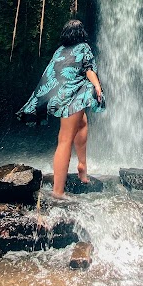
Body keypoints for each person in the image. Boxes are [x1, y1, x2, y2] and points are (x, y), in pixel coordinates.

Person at [16, 19, 105, 198]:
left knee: (82, 123)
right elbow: (88, 69)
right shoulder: (84, 47)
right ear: (81, 33)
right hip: (71, 98)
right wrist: (97, 86)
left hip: (58, 96)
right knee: (64, 140)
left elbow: (49, 75)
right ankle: (58, 191)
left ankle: (82, 165)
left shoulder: (59, 51)